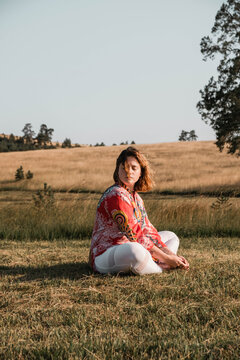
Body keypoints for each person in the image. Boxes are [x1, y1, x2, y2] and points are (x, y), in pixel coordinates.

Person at [89, 146, 189, 275]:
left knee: (170, 236)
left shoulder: (136, 198)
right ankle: (162, 267)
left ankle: (156, 263)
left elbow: (148, 230)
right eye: (123, 168)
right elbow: (134, 234)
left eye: (133, 168)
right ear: (117, 170)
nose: (128, 172)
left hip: (131, 246)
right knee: (134, 249)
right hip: (107, 253)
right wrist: (168, 258)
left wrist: (169, 253)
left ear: (140, 172)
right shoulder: (116, 194)